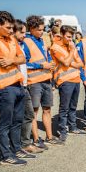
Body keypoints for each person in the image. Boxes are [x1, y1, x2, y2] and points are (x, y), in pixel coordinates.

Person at [0, 11, 30, 165]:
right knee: (6, 123)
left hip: (18, 84)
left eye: (12, 28)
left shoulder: (11, 39)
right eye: (8, 28)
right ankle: (6, 156)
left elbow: (23, 58)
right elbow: (2, 60)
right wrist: (14, 59)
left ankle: (16, 149)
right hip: (4, 87)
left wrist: (13, 60)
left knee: (17, 120)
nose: (11, 31)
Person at [24, 15, 58, 148]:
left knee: (47, 109)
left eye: (43, 29)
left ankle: (49, 136)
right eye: (38, 29)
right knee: (34, 111)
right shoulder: (26, 42)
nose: (41, 32)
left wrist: (50, 62)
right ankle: (36, 139)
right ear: (31, 29)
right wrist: (41, 66)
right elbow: (24, 63)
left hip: (46, 80)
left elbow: (47, 56)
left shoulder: (43, 40)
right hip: (34, 81)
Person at [49, 25, 84, 142]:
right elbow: (65, 62)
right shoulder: (55, 47)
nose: (70, 39)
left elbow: (80, 63)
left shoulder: (70, 45)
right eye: (68, 37)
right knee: (64, 108)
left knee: (73, 106)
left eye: (71, 37)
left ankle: (73, 127)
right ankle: (62, 130)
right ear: (62, 35)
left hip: (75, 79)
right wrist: (72, 52)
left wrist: (70, 62)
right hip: (64, 80)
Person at [14, 19, 42, 155]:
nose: (24, 35)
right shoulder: (12, 46)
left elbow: (27, 61)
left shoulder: (22, 44)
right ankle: (21, 144)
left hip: (24, 85)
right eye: (22, 32)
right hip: (16, 85)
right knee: (21, 115)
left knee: (28, 114)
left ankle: (24, 143)